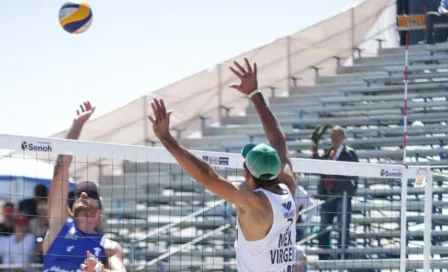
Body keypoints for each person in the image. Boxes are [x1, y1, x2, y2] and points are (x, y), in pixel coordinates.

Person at [148, 58, 298, 272]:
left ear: (247, 174)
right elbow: (278, 140)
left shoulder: (252, 201)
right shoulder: (288, 189)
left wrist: (166, 138)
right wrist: (255, 94)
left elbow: (206, 175)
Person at [42, 101, 126, 272]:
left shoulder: (109, 246)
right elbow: (60, 170)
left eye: (90, 194)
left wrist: (99, 270)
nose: (83, 196)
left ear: (100, 213)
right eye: (79, 194)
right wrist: (77, 126)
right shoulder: (59, 227)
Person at [311, 125, 359, 260]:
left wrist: (348, 192)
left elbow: (355, 174)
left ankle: (342, 257)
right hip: (328, 195)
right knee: (324, 226)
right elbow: (318, 169)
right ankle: (324, 257)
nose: (334, 138)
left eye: (337, 135)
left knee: (343, 227)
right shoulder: (328, 153)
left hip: (342, 196)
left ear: (342, 137)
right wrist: (315, 154)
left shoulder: (350, 153)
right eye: (332, 135)